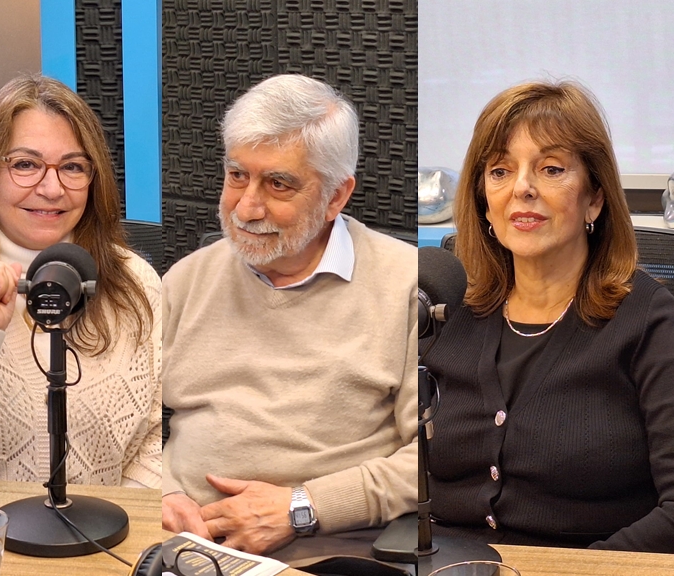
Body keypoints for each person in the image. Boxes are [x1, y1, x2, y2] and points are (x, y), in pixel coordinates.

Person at [160, 74, 418, 561]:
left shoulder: (408, 286)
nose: (246, 207)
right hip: (180, 549)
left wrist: (306, 507)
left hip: (327, 556)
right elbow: (131, 431)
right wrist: (163, 493)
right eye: (237, 176)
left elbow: (437, 458)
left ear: (336, 197)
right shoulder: (185, 280)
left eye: (278, 184)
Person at [423, 80, 674, 553]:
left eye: (551, 169)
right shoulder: (446, 306)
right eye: (500, 171)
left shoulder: (649, 321)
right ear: (484, 202)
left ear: (595, 198)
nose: (522, 188)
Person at [0, 74, 162, 488]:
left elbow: (159, 437)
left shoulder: (137, 282)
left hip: (113, 527)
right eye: (25, 165)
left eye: (73, 167)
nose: (52, 188)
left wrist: (128, 516)